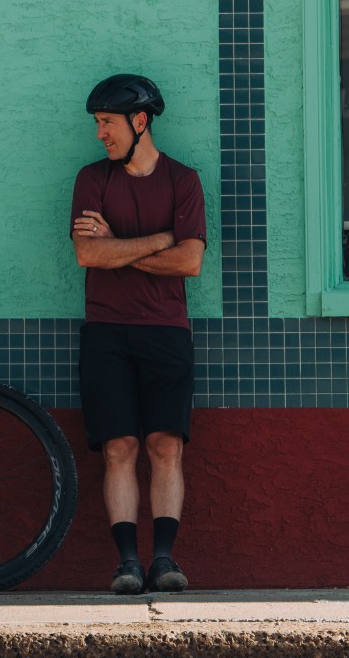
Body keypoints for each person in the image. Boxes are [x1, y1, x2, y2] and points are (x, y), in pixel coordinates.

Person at [69, 73, 207, 594]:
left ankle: (165, 560)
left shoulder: (182, 180)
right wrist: (160, 240)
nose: (100, 133)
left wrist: (120, 247)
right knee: (119, 447)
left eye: (107, 122)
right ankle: (128, 563)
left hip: (166, 331)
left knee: (165, 445)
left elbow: (190, 262)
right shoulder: (92, 180)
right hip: (106, 331)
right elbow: (89, 254)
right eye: (99, 123)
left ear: (140, 121)